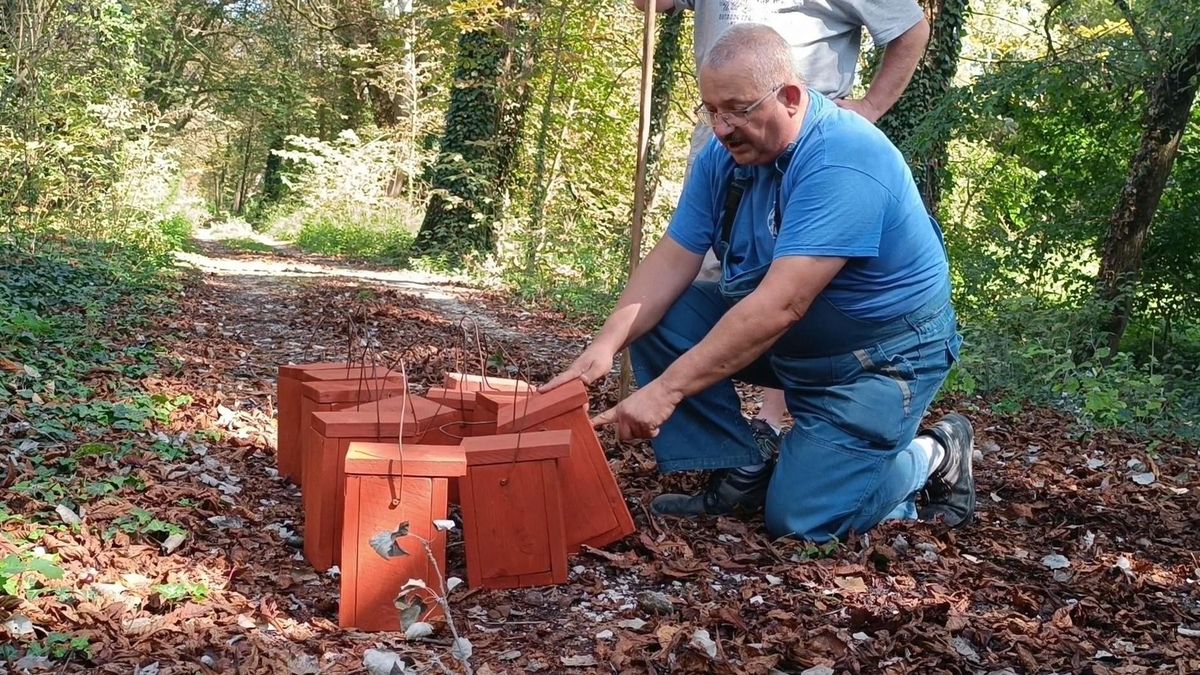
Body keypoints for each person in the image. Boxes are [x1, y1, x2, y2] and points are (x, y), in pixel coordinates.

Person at [542, 24, 973, 542]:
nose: (721, 127)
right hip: (798, 348)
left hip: (879, 362)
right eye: (711, 110)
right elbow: (673, 259)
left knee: (801, 521)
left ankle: (936, 453)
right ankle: (740, 470)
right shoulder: (724, 158)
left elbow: (780, 306)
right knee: (662, 318)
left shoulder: (845, 159)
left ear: (790, 97)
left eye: (737, 109)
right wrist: (605, 345)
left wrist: (666, 391)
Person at [633, 0, 931, 441]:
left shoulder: (844, 158)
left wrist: (869, 106)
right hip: (741, 149)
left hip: (803, 151)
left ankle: (907, 448)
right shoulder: (718, 146)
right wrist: (602, 349)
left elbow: (909, 27)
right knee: (694, 298)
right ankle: (738, 459)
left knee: (802, 512)